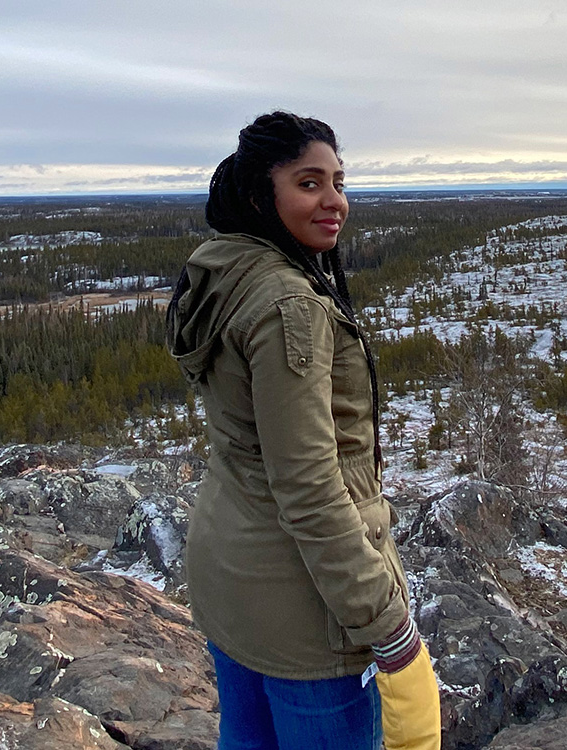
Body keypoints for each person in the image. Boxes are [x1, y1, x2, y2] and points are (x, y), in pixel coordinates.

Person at [167, 111, 439, 750]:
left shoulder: (225, 269)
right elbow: (311, 489)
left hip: (233, 583)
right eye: (309, 183)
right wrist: (388, 626)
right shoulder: (289, 305)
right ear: (263, 193)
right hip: (303, 615)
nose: (334, 201)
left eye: (338, 183)